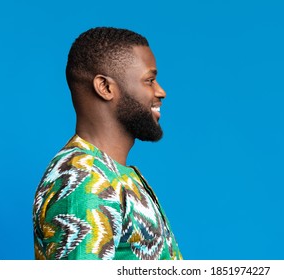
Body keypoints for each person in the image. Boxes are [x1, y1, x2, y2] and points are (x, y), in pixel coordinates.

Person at [33, 27, 182, 260]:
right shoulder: (83, 180)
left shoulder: (112, 173)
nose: (160, 91)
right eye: (149, 80)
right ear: (105, 88)